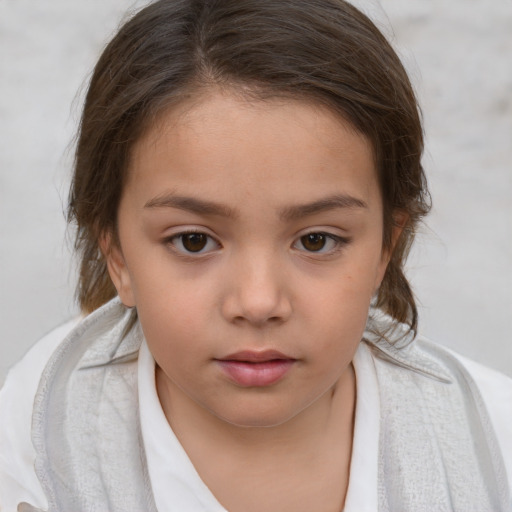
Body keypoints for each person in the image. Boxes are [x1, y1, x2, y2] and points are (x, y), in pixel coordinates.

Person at [0, 0, 510, 510]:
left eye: (317, 240)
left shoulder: (490, 444)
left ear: (385, 246)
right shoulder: (37, 436)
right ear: (116, 253)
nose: (259, 301)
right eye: (193, 241)